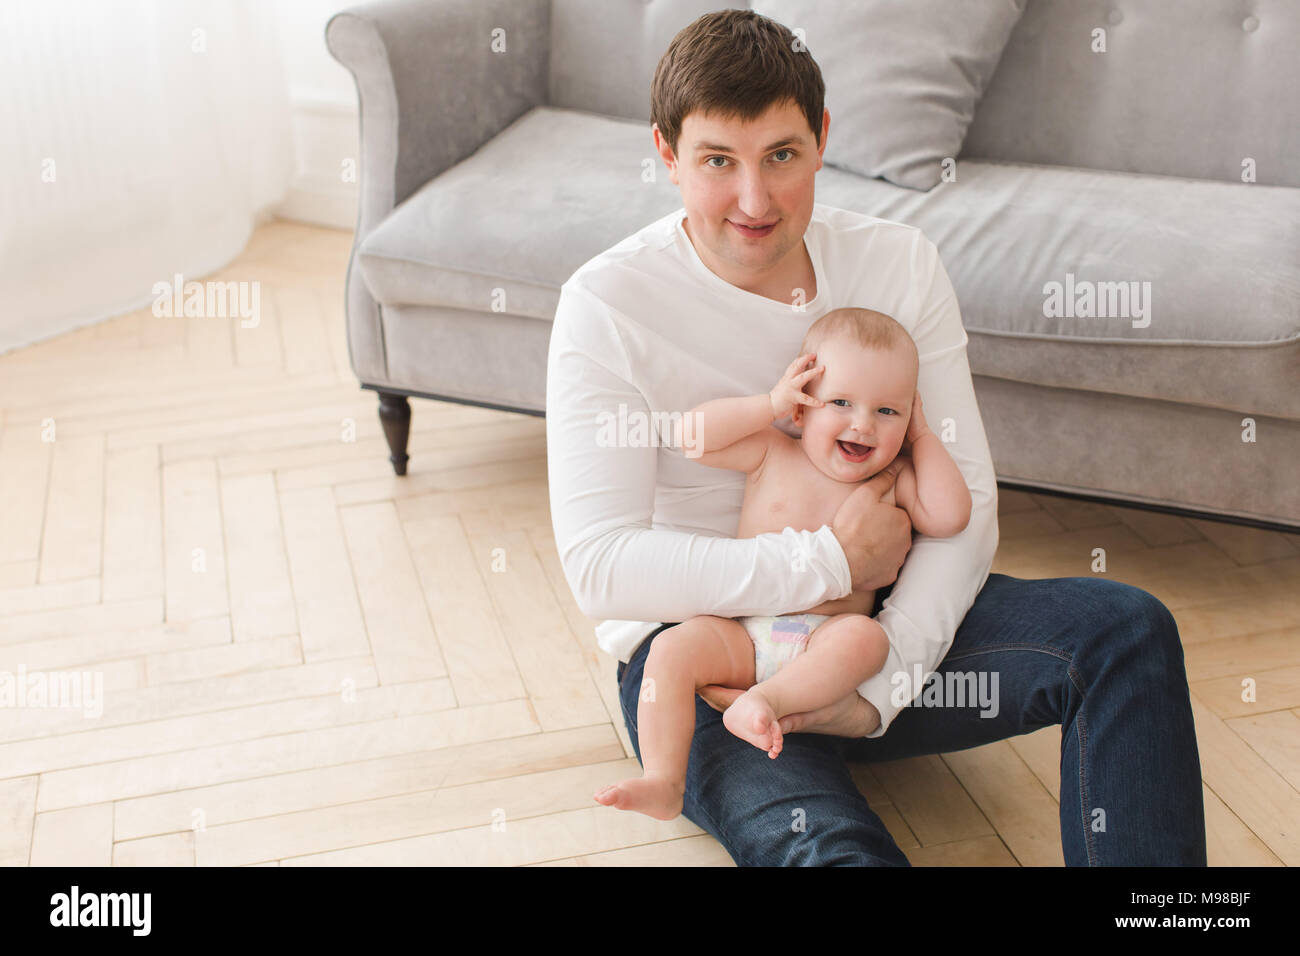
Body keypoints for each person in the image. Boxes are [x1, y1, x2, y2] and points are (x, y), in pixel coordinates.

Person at [545, 8, 1206, 865]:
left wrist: (880, 687)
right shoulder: (606, 306)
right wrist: (824, 561)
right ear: (667, 156)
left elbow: (965, 507)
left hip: (872, 633)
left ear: (822, 139)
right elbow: (602, 566)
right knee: (831, 851)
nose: (755, 200)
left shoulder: (898, 264)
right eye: (718, 161)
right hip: (708, 663)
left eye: (782, 155)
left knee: (1125, 628)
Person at [594, 309, 972, 820]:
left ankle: (766, 703)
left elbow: (950, 517)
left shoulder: (896, 477)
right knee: (672, 648)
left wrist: (923, 437)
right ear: (802, 408)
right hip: (744, 634)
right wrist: (768, 403)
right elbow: (692, 438)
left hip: (824, 640)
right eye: (841, 402)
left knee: (868, 640)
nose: (862, 423)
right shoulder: (774, 451)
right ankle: (663, 779)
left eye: (888, 412)